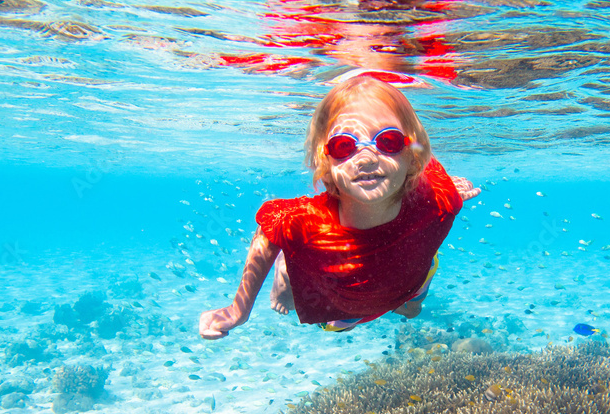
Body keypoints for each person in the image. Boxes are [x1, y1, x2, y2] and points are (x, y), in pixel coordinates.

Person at [199, 75, 479, 339]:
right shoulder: (307, 224)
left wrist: (447, 186)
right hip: (341, 301)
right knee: (337, 326)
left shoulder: (440, 199)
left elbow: (427, 158)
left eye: (388, 141)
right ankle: (287, 269)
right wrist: (239, 311)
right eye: (344, 146)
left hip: (407, 284)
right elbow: (267, 232)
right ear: (326, 163)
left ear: (412, 159)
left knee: (412, 310)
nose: (367, 159)